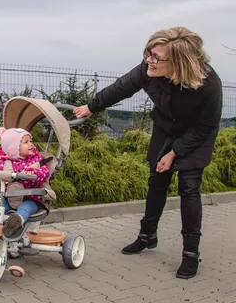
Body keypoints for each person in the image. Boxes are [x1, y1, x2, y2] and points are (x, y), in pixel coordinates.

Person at [74, 26, 222, 279]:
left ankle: (190, 253)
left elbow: (206, 126)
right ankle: (147, 236)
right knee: (156, 181)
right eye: (148, 54)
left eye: (156, 57)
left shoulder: (208, 83)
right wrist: (91, 107)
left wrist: (174, 153)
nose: (149, 61)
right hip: (165, 128)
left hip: (196, 136)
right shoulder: (148, 70)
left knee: (189, 188)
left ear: (178, 62)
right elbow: (121, 88)